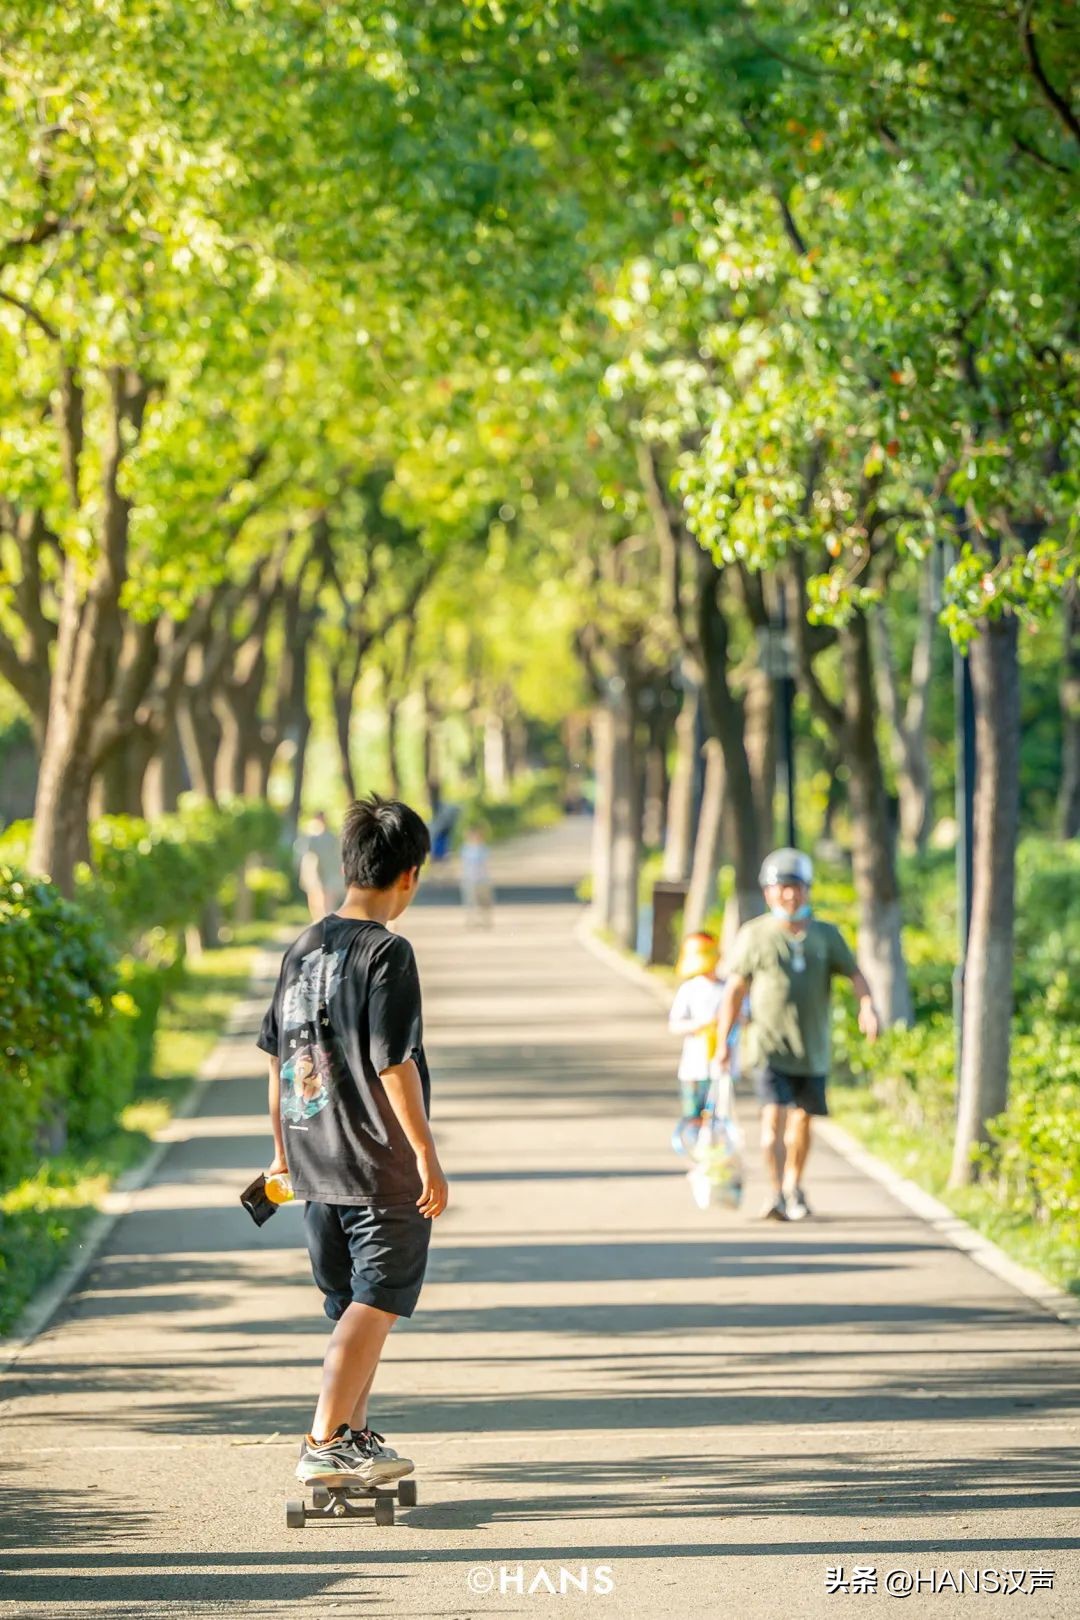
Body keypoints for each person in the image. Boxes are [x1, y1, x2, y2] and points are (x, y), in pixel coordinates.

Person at [258, 793, 449, 1489]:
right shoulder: (388, 953)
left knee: (353, 1307)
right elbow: (394, 1061)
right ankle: (322, 1440)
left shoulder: (302, 947)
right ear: (410, 875)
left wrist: (281, 1154)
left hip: (315, 1163)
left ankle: (352, 1437)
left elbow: (279, 1062)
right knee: (378, 1299)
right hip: (377, 1164)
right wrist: (427, 1154)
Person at [715, 848, 878, 1222]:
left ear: (808, 890)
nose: (790, 895)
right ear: (769, 892)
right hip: (769, 1046)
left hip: (812, 1048)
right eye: (782, 888)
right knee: (772, 1122)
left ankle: (793, 1186)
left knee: (802, 1122)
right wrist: (724, 1040)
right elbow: (735, 991)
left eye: (797, 887)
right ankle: (774, 1192)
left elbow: (854, 974)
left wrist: (867, 1006)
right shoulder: (754, 935)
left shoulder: (825, 935)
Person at [667, 932, 727, 1153]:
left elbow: (747, 1016)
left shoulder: (729, 988)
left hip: (722, 1066)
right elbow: (674, 1024)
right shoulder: (690, 989)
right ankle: (697, 1155)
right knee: (693, 1115)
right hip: (693, 1066)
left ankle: (717, 1155)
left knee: (719, 1116)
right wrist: (700, 1024)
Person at [295, 811, 344, 923]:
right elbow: (304, 854)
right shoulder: (309, 837)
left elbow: (336, 855)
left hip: (329, 871)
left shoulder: (331, 837)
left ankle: (325, 921)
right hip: (313, 872)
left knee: (328, 898)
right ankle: (318, 921)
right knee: (315, 896)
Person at [459, 822, 494, 927]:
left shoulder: (484, 849)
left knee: (484, 901)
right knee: (470, 901)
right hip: (469, 879)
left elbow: (487, 864)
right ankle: (471, 920)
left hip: (482, 879)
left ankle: (486, 919)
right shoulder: (466, 849)